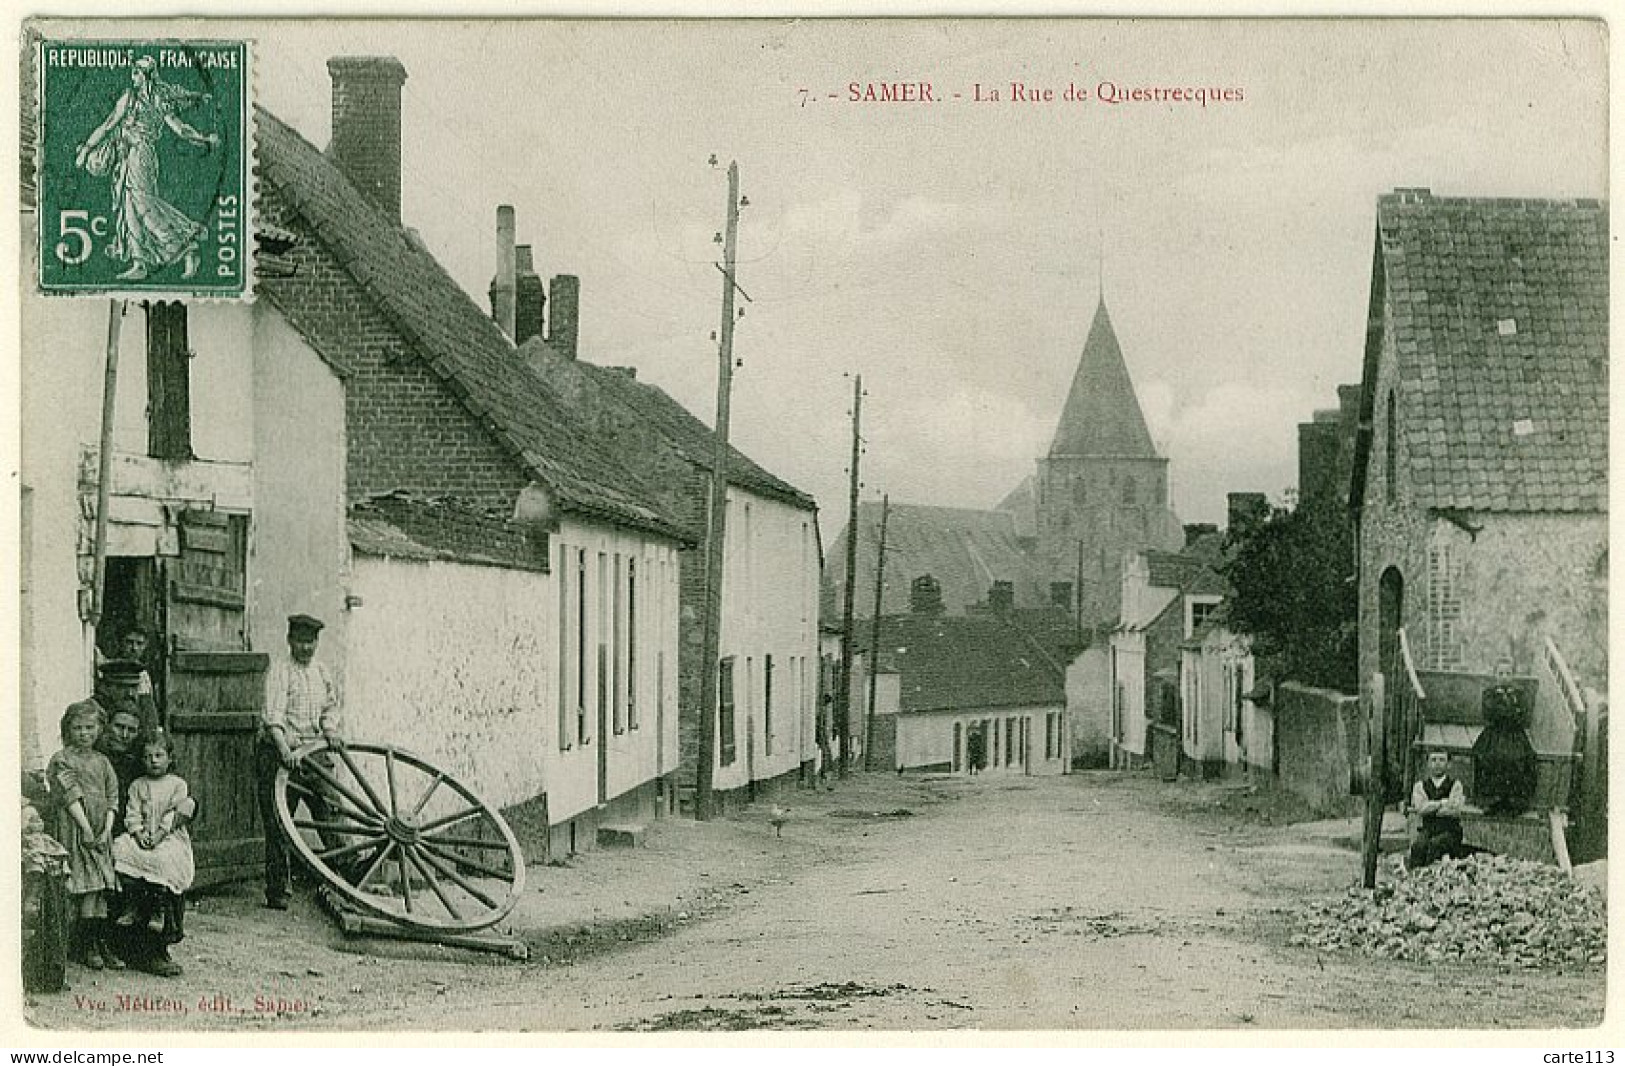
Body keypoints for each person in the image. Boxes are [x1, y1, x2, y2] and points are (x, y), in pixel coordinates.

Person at [72, 54, 221, 281]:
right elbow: (109, 124)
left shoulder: (157, 99)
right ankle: (139, 262)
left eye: (136, 73)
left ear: (146, 76)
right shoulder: (130, 98)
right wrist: (87, 148)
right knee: (128, 206)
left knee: (143, 204)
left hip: (141, 155)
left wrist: (204, 140)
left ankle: (186, 246)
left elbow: (180, 129)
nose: (133, 77)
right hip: (126, 155)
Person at [258, 613, 345, 910]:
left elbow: (331, 707)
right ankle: (278, 890)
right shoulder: (280, 672)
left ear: (317, 642)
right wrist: (284, 750)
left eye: (311, 642)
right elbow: (273, 718)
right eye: (300, 642)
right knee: (280, 822)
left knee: (331, 811)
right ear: (290, 641)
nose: (306, 648)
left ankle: (349, 877)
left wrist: (330, 729)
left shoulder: (321, 672)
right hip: (281, 753)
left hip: (313, 753)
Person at [46, 701, 124, 971]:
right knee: (85, 885)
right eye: (77, 728)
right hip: (76, 827)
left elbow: (113, 796)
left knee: (101, 887)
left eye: (90, 727)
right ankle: (84, 945)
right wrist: (86, 829)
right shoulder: (61, 759)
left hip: (100, 831)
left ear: (100, 729)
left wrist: (106, 829)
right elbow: (70, 796)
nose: (84, 733)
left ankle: (99, 941)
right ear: (68, 730)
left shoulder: (102, 761)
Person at [111, 731, 193, 977]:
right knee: (121, 848)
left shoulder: (177, 785)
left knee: (164, 860)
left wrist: (158, 835)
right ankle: (132, 904)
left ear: (170, 758)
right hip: (143, 836)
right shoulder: (138, 785)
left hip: (168, 837)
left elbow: (175, 814)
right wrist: (137, 833)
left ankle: (158, 911)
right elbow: (132, 812)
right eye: (147, 757)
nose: (153, 761)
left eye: (159, 756)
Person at [1406, 749, 1467, 870]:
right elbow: (1420, 809)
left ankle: (1434, 880)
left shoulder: (1456, 785)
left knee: (1436, 845)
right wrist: (1441, 803)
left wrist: (1430, 807)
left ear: (1448, 764)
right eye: (1433, 760)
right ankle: (1415, 878)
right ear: (1428, 763)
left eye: (1441, 760)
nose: (1437, 763)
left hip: (1450, 831)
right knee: (1418, 846)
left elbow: (1455, 810)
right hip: (1428, 829)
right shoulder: (1420, 786)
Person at [95, 658, 158, 736]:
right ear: (106, 687)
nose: (130, 693)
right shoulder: (94, 711)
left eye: (134, 687)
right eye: (123, 687)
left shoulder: (143, 708)